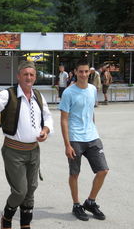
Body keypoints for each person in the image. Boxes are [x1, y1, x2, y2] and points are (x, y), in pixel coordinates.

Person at [0, 61, 53, 229]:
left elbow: (48, 117)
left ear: (35, 77)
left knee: (31, 189)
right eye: (25, 74)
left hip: (34, 151)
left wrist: (46, 130)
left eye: (32, 74)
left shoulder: (39, 96)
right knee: (20, 191)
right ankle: (6, 218)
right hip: (14, 152)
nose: (29, 77)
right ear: (18, 76)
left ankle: (25, 225)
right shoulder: (8, 95)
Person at [59, 59, 109, 222]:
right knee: (75, 173)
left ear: (90, 72)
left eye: (86, 71)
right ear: (75, 72)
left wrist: (93, 127)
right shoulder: (68, 93)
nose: (84, 74)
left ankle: (90, 202)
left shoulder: (93, 89)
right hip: (75, 139)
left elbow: (90, 111)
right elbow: (64, 120)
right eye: (80, 71)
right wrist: (67, 144)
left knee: (103, 170)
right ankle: (76, 205)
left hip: (92, 136)